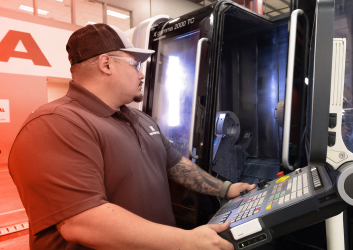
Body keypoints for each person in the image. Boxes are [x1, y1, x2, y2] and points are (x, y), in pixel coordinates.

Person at [8, 23, 255, 249]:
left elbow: (176, 166)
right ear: (106, 64)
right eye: (135, 64)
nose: (141, 74)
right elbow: (83, 222)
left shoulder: (139, 119)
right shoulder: (55, 124)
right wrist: (186, 240)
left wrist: (226, 189)